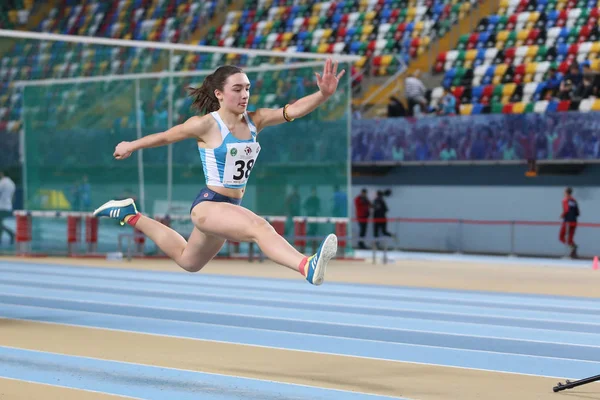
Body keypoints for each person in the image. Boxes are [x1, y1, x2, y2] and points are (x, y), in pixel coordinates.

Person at [93, 59, 345, 286]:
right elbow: (165, 137)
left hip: (230, 207)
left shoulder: (256, 120)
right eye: (237, 89)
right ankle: (306, 265)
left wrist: (323, 94)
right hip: (209, 206)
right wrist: (130, 146)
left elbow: (294, 109)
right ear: (219, 94)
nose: (244, 94)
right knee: (260, 227)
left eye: (247, 88)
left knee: (188, 261)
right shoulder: (206, 125)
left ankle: (130, 214)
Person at [559, 187, 580, 259]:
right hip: (574, 221)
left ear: (566, 193)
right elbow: (578, 212)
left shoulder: (565, 200)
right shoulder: (574, 201)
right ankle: (573, 249)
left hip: (567, 222)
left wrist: (562, 216)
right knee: (570, 239)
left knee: (561, 237)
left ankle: (570, 250)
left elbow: (566, 210)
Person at [0, 170, 16, 245]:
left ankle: (11, 233)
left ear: (2, 173)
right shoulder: (12, 183)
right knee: (0, 223)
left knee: (0, 224)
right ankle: (9, 234)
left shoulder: (3, 182)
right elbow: (13, 196)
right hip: (8, 206)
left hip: (1, 206)